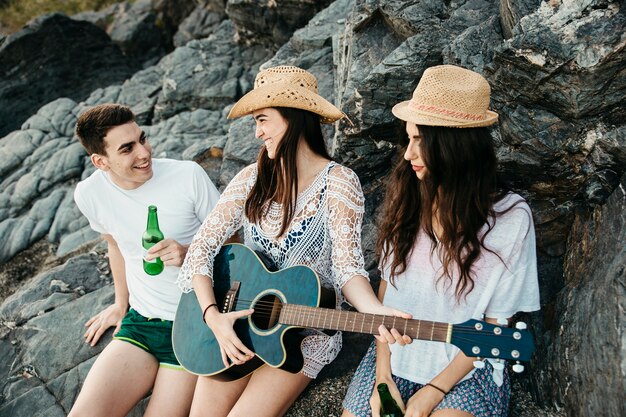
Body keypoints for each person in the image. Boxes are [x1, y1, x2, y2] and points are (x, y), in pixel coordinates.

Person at [177, 65, 408, 417]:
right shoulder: (252, 179)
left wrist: (375, 311)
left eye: (263, 120)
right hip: (235, 324)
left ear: (294, 117)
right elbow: (202, 247)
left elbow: (347, 270)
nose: (257, 133)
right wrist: (213, 317)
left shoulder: (339, 183)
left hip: (305, 333)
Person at [341, 65, 541, 417]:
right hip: (394, 357)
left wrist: (432, 393)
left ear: (453, 147)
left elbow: (496, 326)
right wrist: (382, 378)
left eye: (420, 141)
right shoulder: (408, 198)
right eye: (409, 139)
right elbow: (386, 299)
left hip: (469, 366)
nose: (408, 154)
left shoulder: (510, 219)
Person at [68, 103, 221, 417]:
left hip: (193, 325)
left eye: (143, 139)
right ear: (100, 161)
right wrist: (119, 303)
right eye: (127, 149)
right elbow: (115, 244)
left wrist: (190, 252)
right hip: (141, 321)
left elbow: (236, 241)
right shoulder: (89, 194)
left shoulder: (187, 175)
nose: (144, 153)